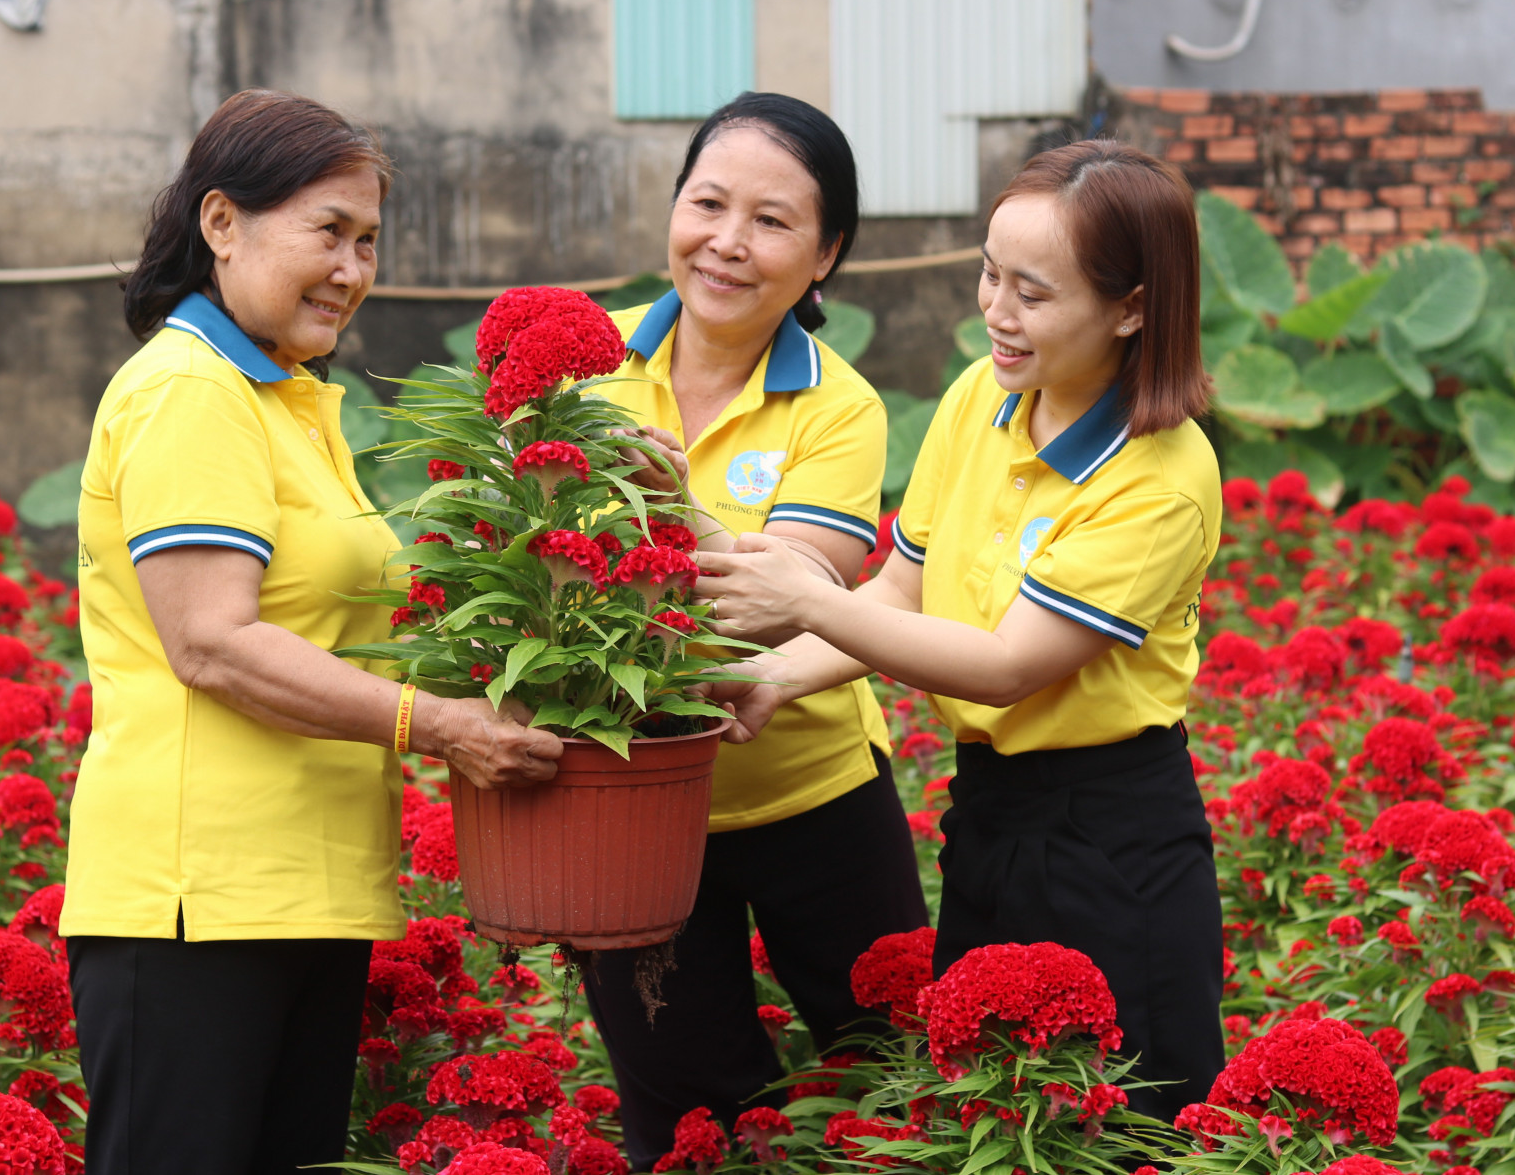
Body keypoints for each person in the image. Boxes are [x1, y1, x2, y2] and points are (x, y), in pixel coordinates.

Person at [61, 88, 562, 1175]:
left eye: (368, 240)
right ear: (222, 223)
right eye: (326, 232)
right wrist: (439, 725)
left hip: (297, 894)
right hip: (196, 903)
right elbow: (213, 642)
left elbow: (332, 622)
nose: (351, 267)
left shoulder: (285, 398)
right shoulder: (191, 391)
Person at [696, 139, 1223, 1122]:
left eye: (1031, 292)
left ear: (1132, 306)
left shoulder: (1157, 475)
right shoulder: (982, 396)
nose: (994, 311)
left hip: (1112, 836)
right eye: (988, 273)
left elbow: (1005, 667)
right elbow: (900, 593)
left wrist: (806, 599)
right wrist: (773, 673)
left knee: (1131, 1123)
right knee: (988, 1114)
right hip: (989, 817)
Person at [583, 92, 928, 1167]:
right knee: (685, 1116)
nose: (727, 244)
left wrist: (676, 516)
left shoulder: (836, 405)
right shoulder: (578, 375)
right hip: (629, 804)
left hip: (808, 797)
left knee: (897, 1075)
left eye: (772, 222)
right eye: (707, 204)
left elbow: (795, 592)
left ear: (823, 256)